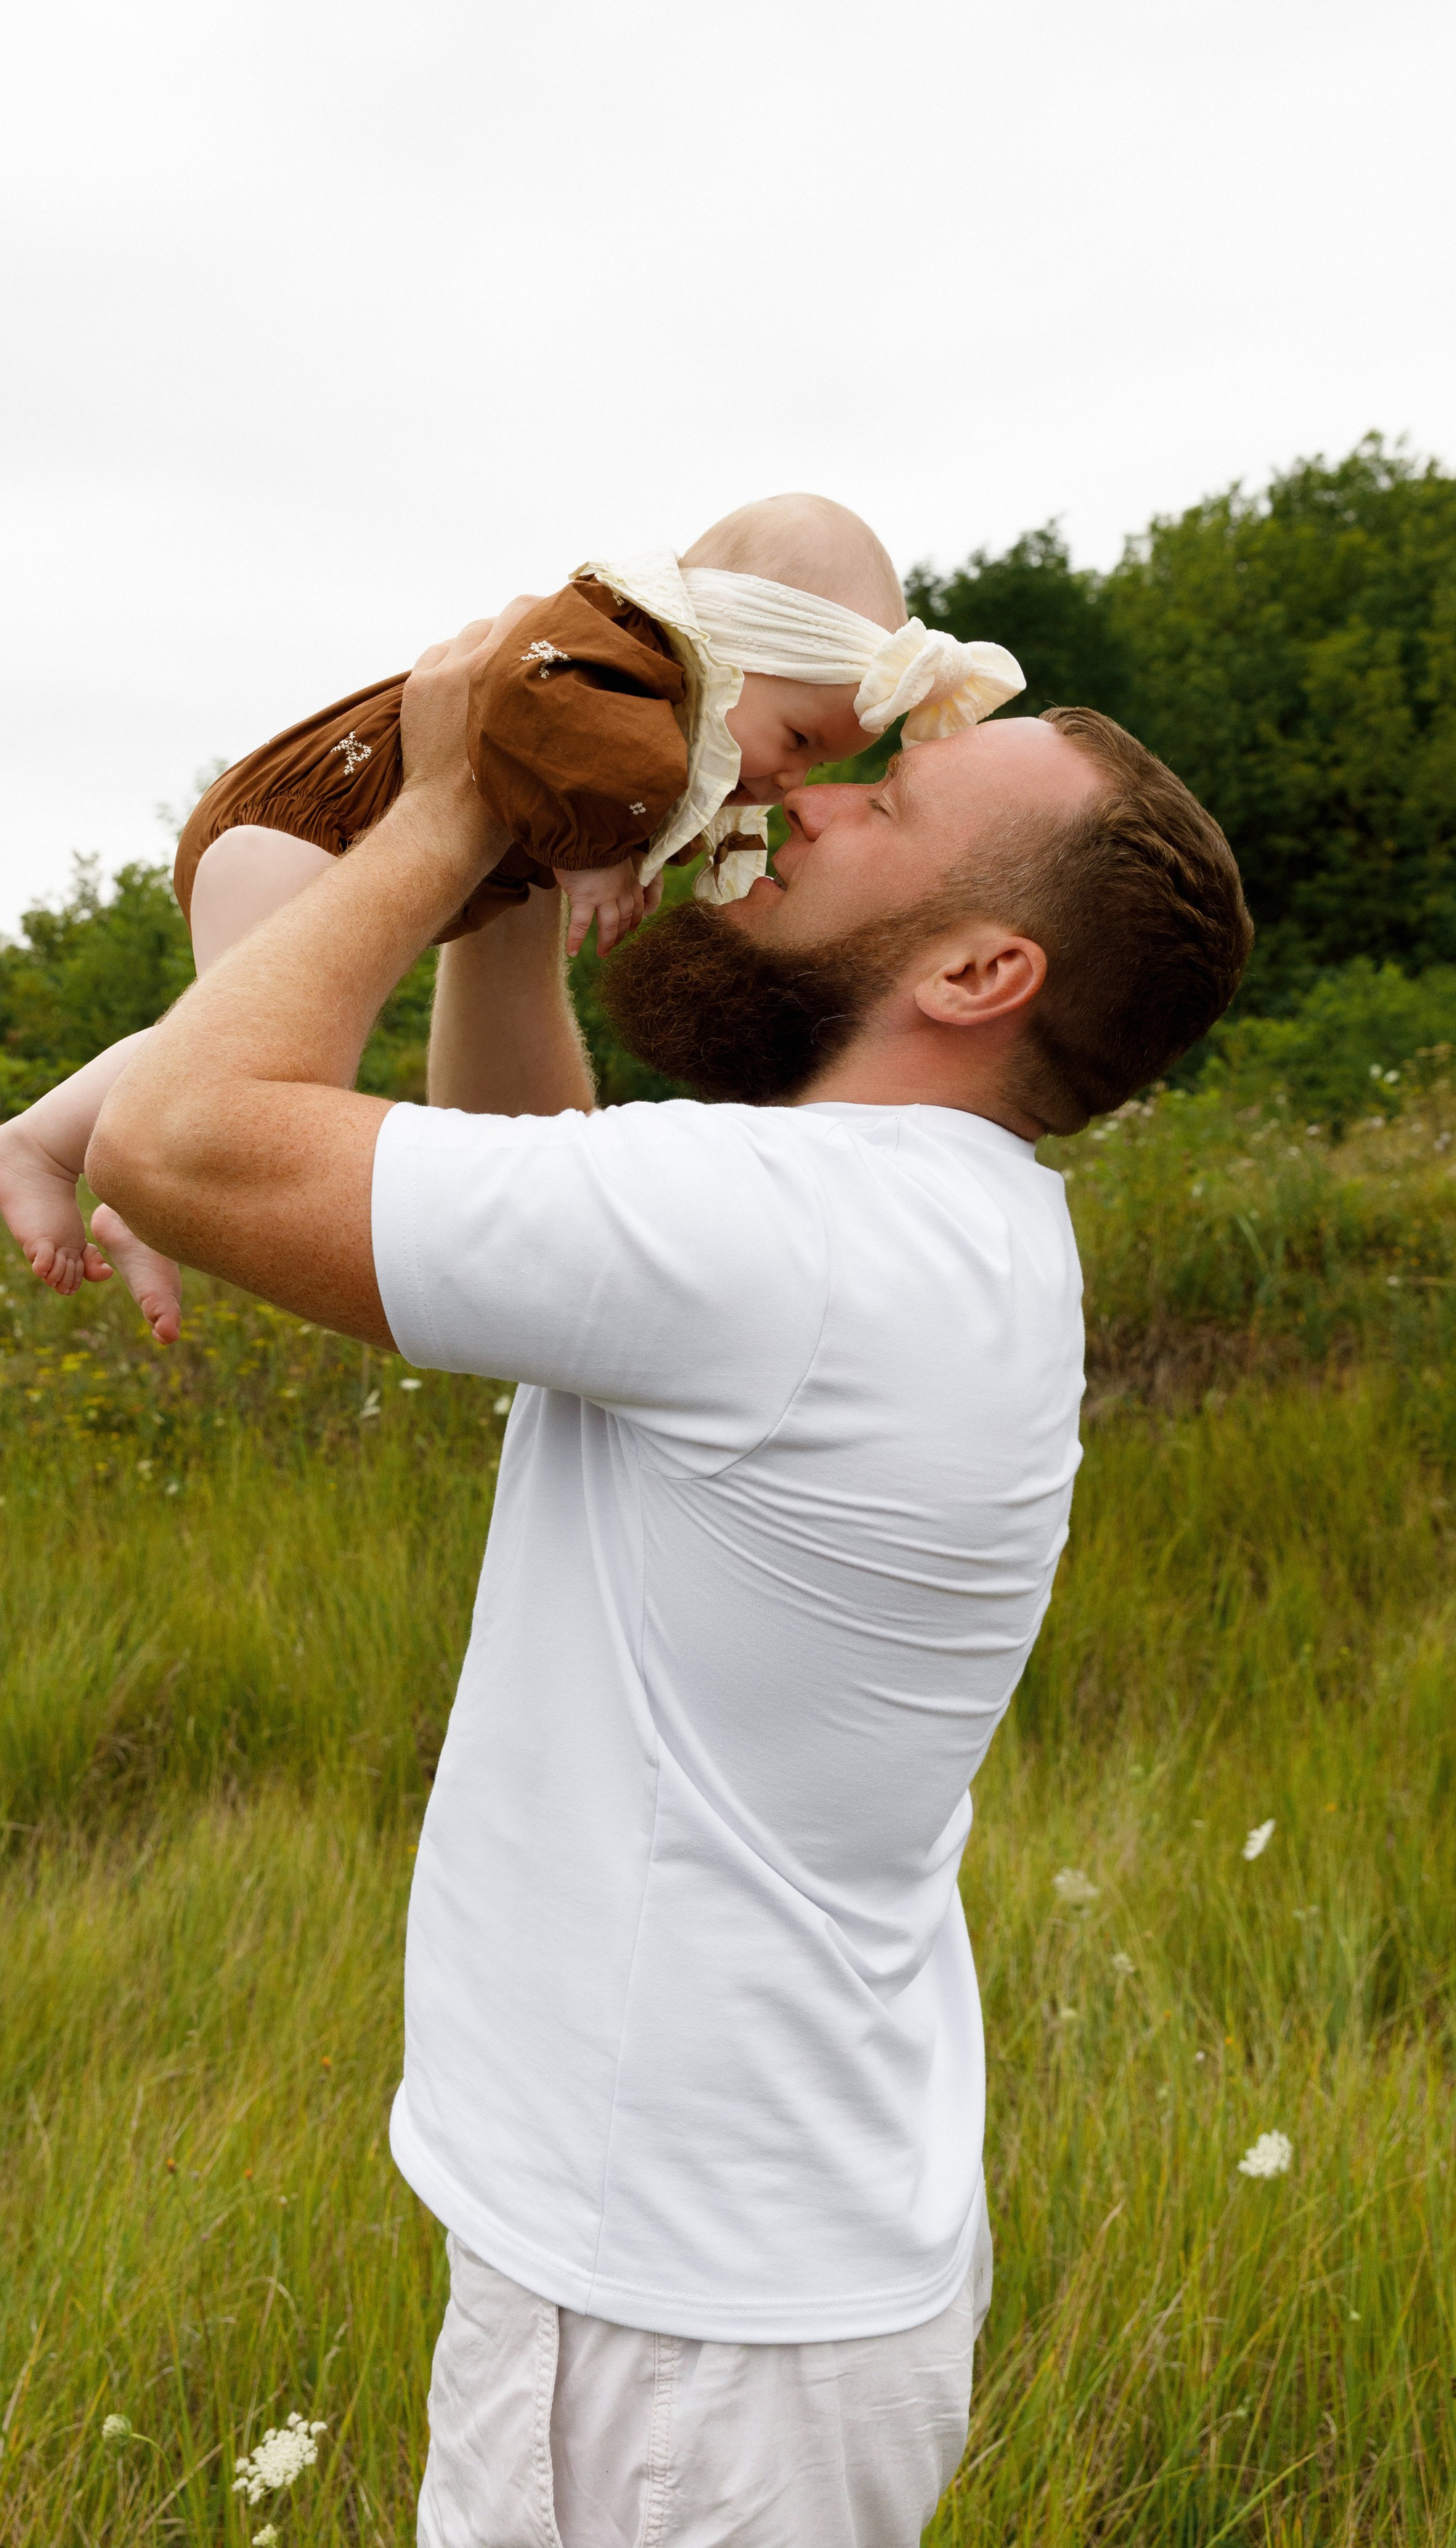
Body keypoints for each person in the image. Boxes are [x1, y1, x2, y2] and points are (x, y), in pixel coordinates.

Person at [83, 625, 1251, 2548]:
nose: (805, 795)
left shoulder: (803, 1239)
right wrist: (506, 920)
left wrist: (454, 805)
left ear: (981, 969)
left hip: (680, 2338)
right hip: (734, 2270)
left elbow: (186, 1141)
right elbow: (544, 1208)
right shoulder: (914, 1224)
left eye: (884, 799)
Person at [0, 494, 1025, 1343]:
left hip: (343, 843)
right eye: (797, 737)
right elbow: (533, 709)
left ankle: (132, 1198)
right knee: (244, 1079)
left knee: (240, 1088)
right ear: (734, 649)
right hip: (308, 825)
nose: (791, 780)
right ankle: (38, 1146)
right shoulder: (621, 652)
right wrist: (600, 854)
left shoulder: (688, 733)